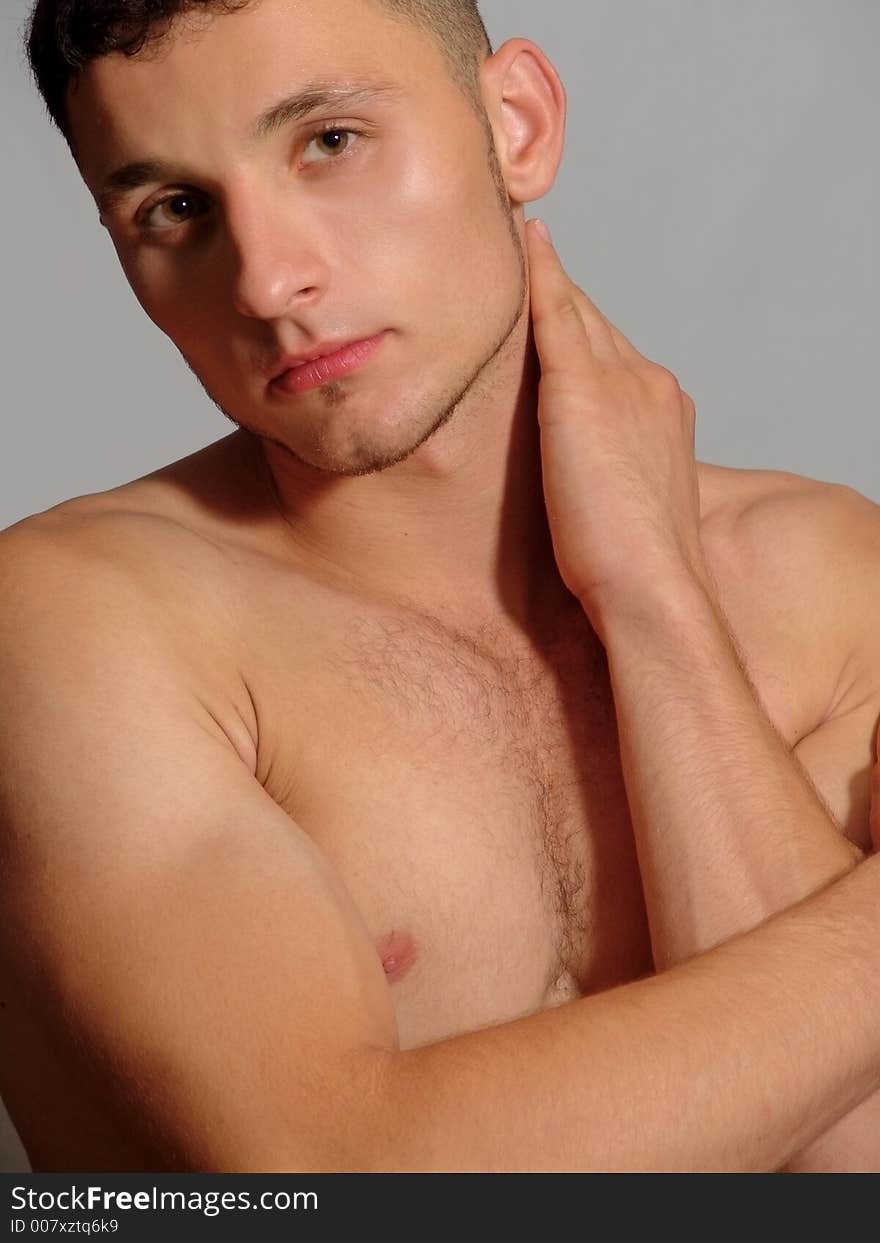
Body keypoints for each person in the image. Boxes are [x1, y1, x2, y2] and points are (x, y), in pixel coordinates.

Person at [1, 0, 878, 1173]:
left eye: (329, 142)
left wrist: (654, 594)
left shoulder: (825, 573)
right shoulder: (76, 620)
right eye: (174, 209)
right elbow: (334, 1178)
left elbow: (851, 1160)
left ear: (513, 124)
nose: (266, 280)